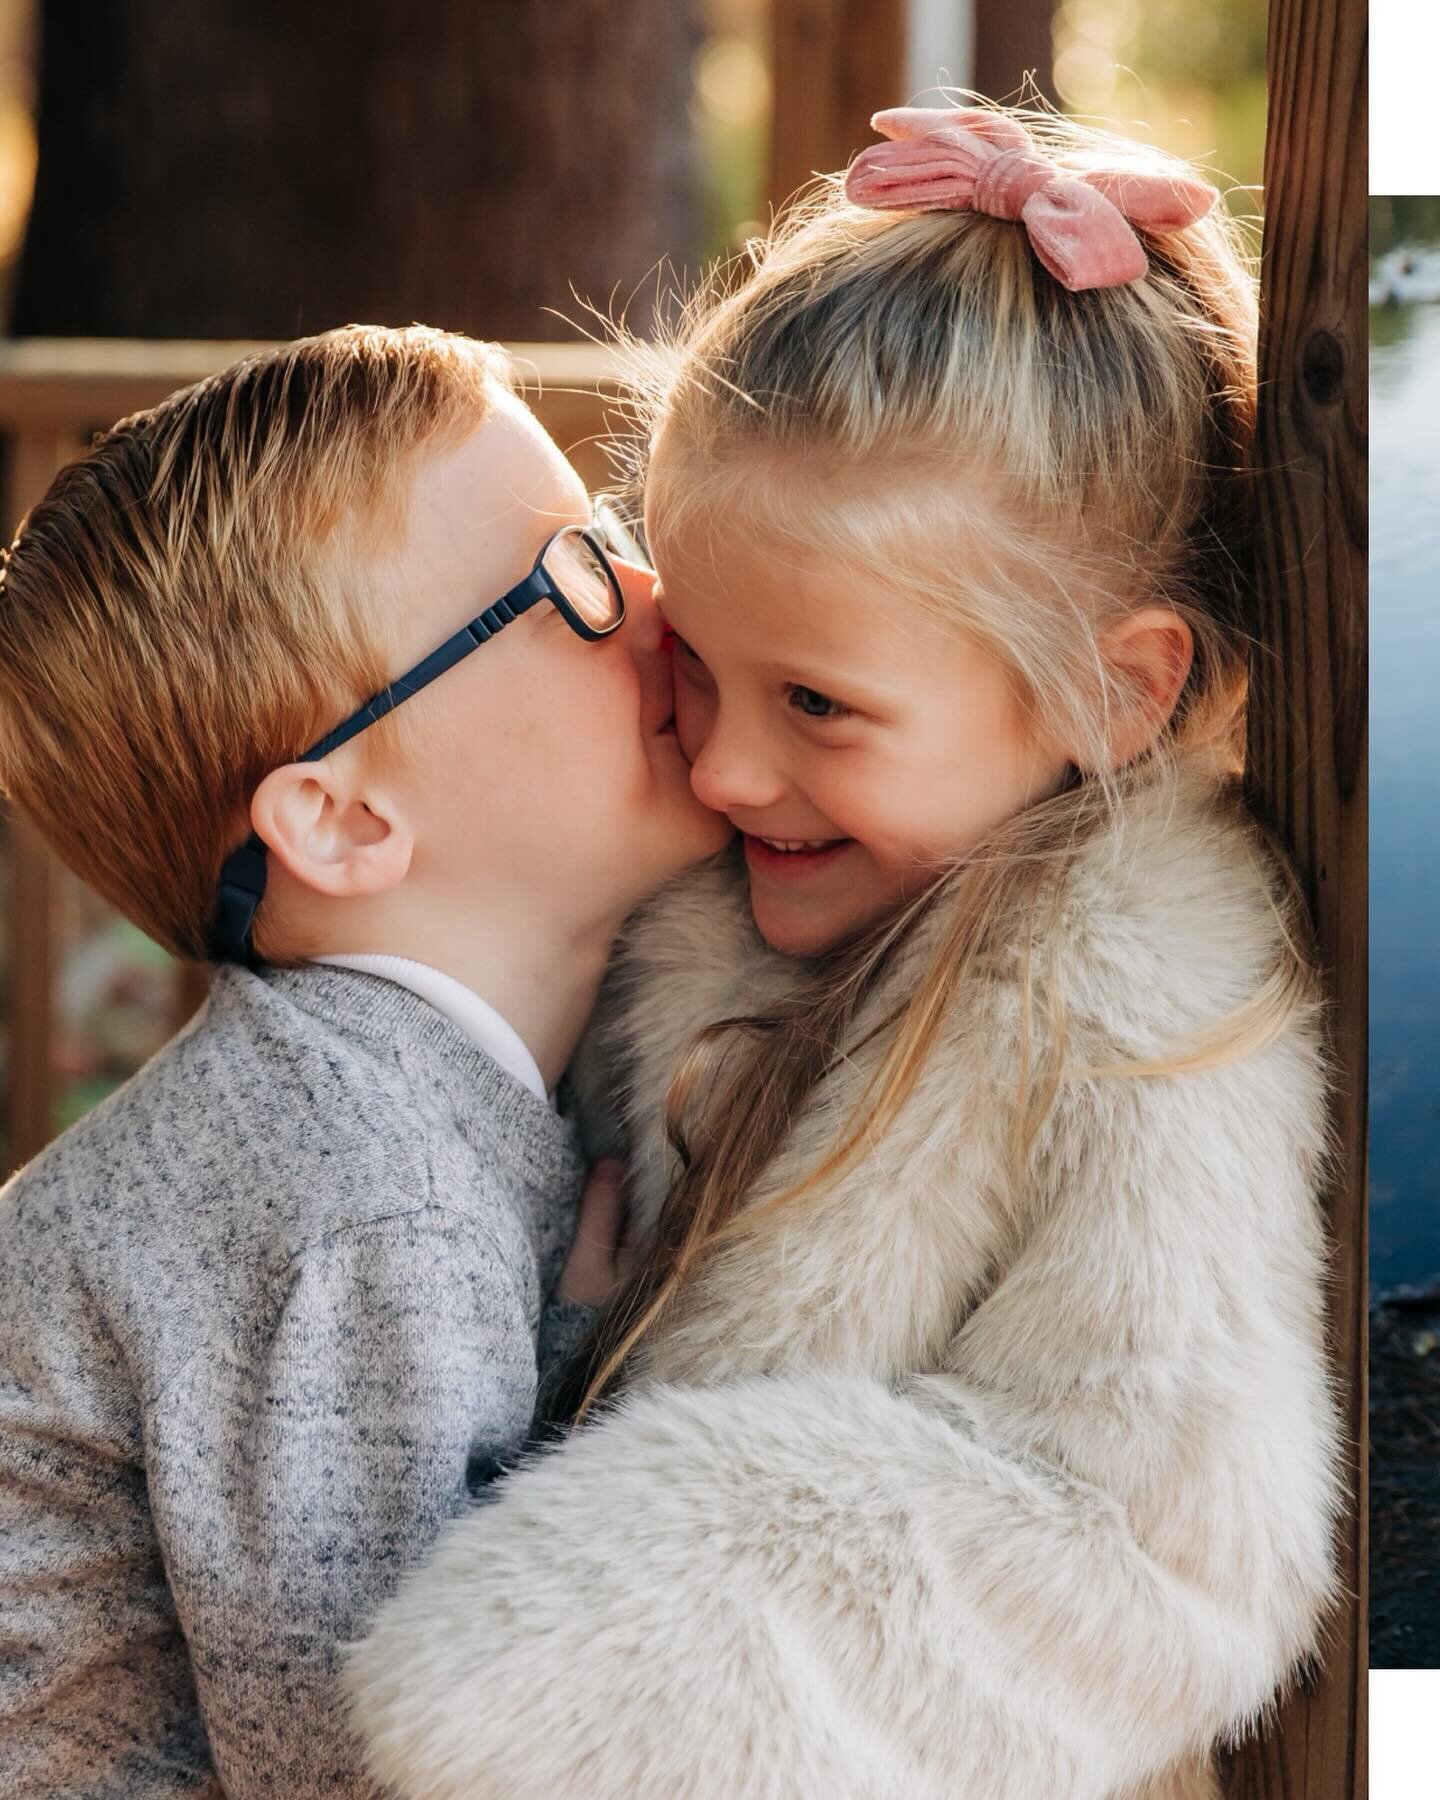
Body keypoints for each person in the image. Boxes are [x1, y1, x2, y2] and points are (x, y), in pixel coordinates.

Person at [347, 107, 1347, 1800]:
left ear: (1115, 690)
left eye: (819, 704)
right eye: (699, 668)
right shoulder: (707, 906)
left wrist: (593, 1625)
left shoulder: (1138, 997)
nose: (724, 768)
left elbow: (1169, 1544)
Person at [0, 324, 725, 1797]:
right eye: (570, 579)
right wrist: (594, 1373)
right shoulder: (345, 1191)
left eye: (614, 531)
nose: (651, 591)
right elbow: (373, 1765)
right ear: (338, 822)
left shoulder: (392, 1102)